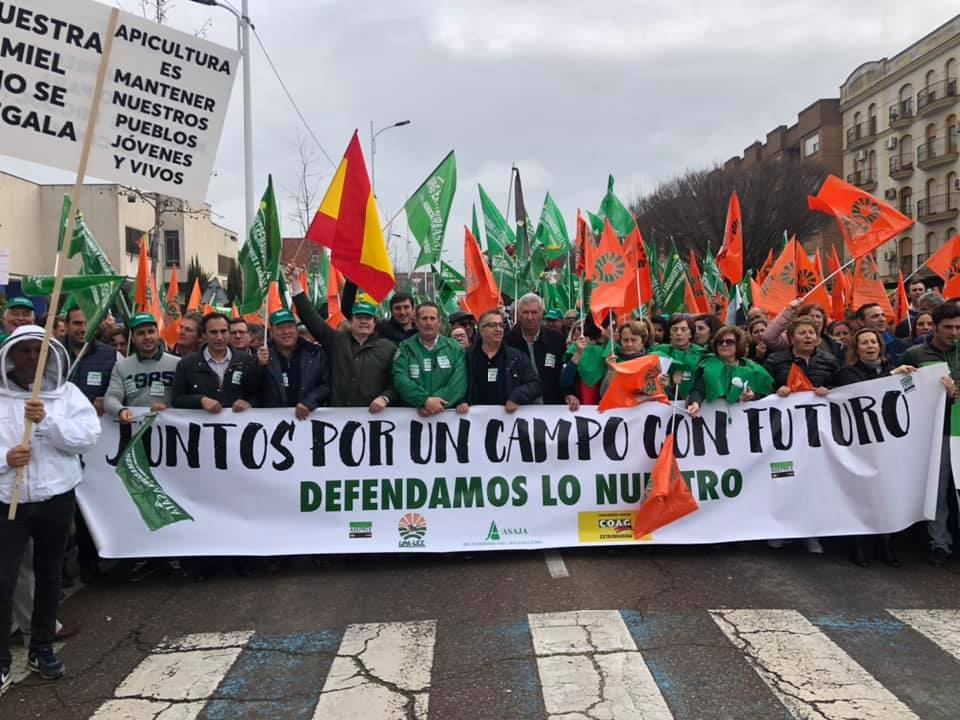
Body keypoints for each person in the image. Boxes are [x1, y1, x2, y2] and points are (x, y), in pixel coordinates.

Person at [0, 325, 101, 693]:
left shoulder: (65, 395)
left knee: (49, 577)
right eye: (23, 351)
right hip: (7, 501)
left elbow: (86, 438)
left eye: (36, 351)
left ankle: (41, 647)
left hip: (55, 498)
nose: (30, 358)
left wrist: (48, 422)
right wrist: (6, 458)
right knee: (4, 579)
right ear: (10, 355)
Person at [104, 313, 182, 582]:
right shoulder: (122, 367)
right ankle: (145, 554)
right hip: (135, 440)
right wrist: (123, 409)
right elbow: (111, 397)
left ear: (158, 334)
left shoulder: (176, 363)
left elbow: (183, 398)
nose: (147, 337)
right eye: (141, 333)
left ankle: (172, 552)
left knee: (169, 494)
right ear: (133, 339)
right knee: (141, 494)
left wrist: (173, 411)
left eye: (151, 331)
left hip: (171, 443)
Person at [832, 328, 915, 568]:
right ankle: (857, 543)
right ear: (856, 349)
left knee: (885, 492)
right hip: (859, 442)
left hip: (888, 443)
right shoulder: (848, 373)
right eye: (864, 343)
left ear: (880, 345)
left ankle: (885, 542)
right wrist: (891, 376)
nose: (870, 346)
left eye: (873, 342)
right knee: (860, 493)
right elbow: (864, 392)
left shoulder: (898, 369)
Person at [901, 302, 960, 567]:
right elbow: (899, 391)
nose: (954, 332)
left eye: (958, 327)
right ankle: (940, 544)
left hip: (958, 429)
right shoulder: (915, 354)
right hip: (935, 433)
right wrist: (901, 375)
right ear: (934, 326)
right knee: (937, 490)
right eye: (948, 327)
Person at [287, 267, 397, 410]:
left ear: (374, 323)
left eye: (368, 318)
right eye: (359, 317)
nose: (363, 321)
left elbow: (395, 382)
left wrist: (385, 398)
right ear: (351, 321)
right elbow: (311, 319)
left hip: (373, 420)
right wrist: (295, 282)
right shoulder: (337, 340)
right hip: (340, 421)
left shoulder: (389, 348)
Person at [63, 306, 117, 582]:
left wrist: (106, 399)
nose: (82, 329)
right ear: (66, 325)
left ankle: (90, 563)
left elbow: (119, 390)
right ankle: (61, 570)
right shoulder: (53, 354)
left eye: (86, 323)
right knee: (63, 507)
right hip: (61, 444)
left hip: (98, 444)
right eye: (76, 323)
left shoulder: (109, 356)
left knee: (91, 505)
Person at [171, 312, 262, 414]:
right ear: (204, 335)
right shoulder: (187, 364)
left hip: (237, 427)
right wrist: (201, 400)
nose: (219, 337)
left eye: (223, 331)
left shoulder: (247, 360)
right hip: (202, 427)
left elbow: (259, 394)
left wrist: (249, 403)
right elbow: (176, 399)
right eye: (213, 332)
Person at [506, 293, 578, 410]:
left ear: (541, 314)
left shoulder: (557, 339)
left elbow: (563, 371)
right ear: (518, 315)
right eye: (525, 312)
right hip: (518, 409)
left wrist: (569, 393)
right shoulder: (508, 340)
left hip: (551, 408)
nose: (530, 317)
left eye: (534, 312)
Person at [393, 302, 467, 416]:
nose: (428, 323)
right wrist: (424, 401)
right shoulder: (405, 348)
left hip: (446, 418)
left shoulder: (455, 348)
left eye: (432, 318)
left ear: (439, 323)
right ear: (416, 322)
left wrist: (435, 404)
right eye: (424, 318)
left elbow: (459, 382)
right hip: (413, 418)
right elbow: (400, 379)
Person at [257, 309, 331, 420]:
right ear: (271, 331)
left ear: (296, 330)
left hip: (311, 419)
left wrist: (309, 402)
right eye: (280, 328)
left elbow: (327, 384)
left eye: (290, 326)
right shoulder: (261, 355)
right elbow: (252, 388)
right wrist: (258, 366)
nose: (286, 332)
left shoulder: (316, 353)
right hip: (274, 424)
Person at [464, 309, 541, 410]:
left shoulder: (517, 357)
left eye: (501, 325)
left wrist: (516, 397)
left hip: (508, 419)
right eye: (493, 325)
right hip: (476, 421)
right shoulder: (467, 357)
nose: (498, 329)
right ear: (481, 330)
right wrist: (461, 401)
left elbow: (535, 385)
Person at [686, 326, 773, 415]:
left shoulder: (753, 368)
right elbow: (698, 389)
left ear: (738, 344)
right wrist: (695, 403)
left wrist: (753, 396)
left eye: (729, 342)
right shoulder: (709, 365)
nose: (724, 344)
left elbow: (766, 393)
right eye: (720, 342)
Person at [764, 317, 838, 397]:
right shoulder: (774, 360)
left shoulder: (830, 360)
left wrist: (829, 390)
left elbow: (841, 388)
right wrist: (777, 391)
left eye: (811, 333)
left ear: (817, 338)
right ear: (792, 338)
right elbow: (764, 389)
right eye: (802, 333)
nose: (808, 336)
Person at [648, 315, 705, 399]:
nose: (678, 333)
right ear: (669, 333)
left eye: (684, 329)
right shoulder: (657, 351)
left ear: (691, 333)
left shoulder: (701, 354)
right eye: (674, 329)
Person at [762, 300, 843, 359]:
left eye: (818, 317)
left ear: (824, 321)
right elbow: (768, 337)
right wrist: (789, 312)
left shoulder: (832, 343)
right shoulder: (791, 339)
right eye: (811, 316)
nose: (814, 320)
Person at [560, 316, 611, 404]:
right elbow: (565, 382)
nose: (617, 329)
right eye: (613, 326)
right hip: (580, 406)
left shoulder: (616, 349)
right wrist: (578, 354)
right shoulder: (578, 347)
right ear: (602, 328)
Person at [599, 319, 652, 397]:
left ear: (643, 342)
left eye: (633, 340)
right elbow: (603, 394)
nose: (629, 344)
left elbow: (653, 393)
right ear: (621, 341)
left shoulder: (650, 361)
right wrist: (611, 370)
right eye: (625, 340)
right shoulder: (614, 361)